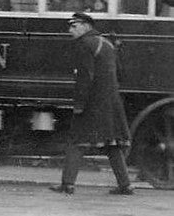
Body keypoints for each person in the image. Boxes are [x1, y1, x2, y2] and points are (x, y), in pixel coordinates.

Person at [51, 12, 133, 195]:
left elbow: (84, 78)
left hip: (92, 103)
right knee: (112, 144)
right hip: (111, 101)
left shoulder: (84, 45)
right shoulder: (107, 43)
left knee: (76, 141)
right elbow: (119, 73)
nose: (70, 30)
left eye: (74, 26)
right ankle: (125, 185)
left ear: (86, 26)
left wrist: (79, 104)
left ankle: (67, 184)